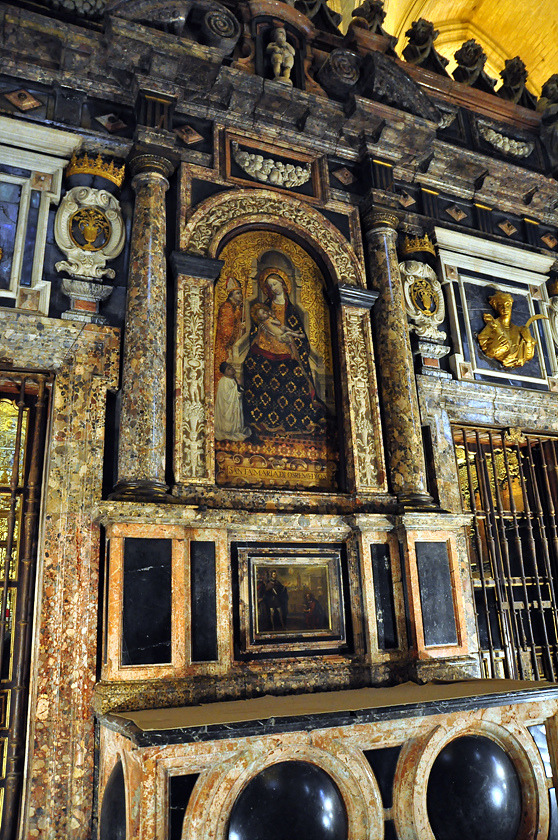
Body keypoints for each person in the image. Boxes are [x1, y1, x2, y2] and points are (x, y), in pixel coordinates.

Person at [243, 268, 327, 435]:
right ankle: (259, 420)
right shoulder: (265, 307)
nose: (273, 288)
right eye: (270, 286)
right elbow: (256, 328)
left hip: (285, 349)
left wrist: (292, 341)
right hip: (265, 346)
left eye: (275, 284)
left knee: (294, 373)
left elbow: (298, 333)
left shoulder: (291, 310)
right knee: (251, 364)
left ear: (283, 284)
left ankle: (297, 421)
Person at [477, 290, 537, 369]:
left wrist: (528, 341)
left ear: (511, 305)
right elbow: (488, 351)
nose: (505, 308)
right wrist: (493, 349)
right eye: (500, 305)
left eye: (507, 304)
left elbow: (528, 356)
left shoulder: (520, 331)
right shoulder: (492, 327)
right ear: (496, 307)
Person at [214, 277, 244, 394]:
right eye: (238, 293)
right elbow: (226, 332)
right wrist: (238, 322)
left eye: (240, 293)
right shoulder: (226, 308)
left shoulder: (237, 307)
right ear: (231, 295)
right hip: (225, 348)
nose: (240, 296)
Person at [214, 362, 251, 441]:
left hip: (233, 405)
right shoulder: (224, 381)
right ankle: (228, 431)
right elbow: (227, 397)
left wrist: (238, 386)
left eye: (231, 367)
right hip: (227, 408)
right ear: (225, 372)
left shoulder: (232, 379)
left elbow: (236, 393)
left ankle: (235, 430)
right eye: (228, 369)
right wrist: (238, 386)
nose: (231, 369)